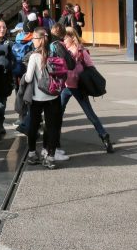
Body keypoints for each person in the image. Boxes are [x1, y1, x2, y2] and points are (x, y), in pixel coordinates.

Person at [62, 28, 113, 153]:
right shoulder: (64, 49)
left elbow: (91, 67)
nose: (63, 40)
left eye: (64, 37)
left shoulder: (80, 51)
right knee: (58, 112)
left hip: (78, 87)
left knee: (89, 114)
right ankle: (53, 140)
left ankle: (104, 135)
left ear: (71, 37)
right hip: (66, 86)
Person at [22, 28, 63, 169]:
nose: (33, 41)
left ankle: (32, 154)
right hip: (53, 95)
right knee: (52, 127)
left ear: (40, 40)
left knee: (33, 125)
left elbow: (28, 78)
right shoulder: (54, 53)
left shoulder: (34, 57)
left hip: (37, 97)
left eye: (34, 38)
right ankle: (50, 157)